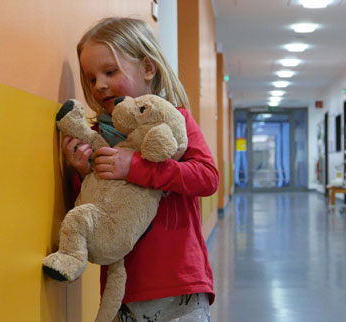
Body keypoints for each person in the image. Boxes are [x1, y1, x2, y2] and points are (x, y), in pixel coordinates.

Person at [62, 17, 218, 322]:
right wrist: (81, 174)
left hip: (179, 284)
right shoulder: (95, 135)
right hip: (122, 290)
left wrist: (136, 167)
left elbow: (207, 177)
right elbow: (94, 205)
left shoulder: (175, 121)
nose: (100, 85)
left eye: (110, 71)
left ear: (148, 68)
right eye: (91, 78)